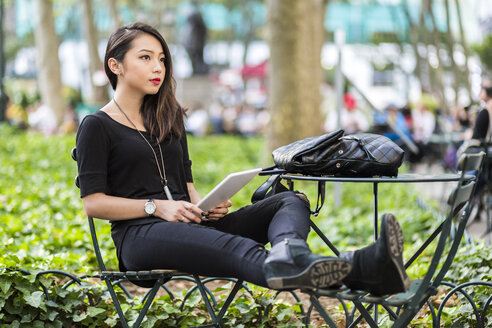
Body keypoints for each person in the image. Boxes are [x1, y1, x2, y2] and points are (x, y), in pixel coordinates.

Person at [75, 23, 410, 295]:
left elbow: (186, 185)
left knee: (289, 201)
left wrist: (205, 205)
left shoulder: (169, 117)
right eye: (145, 58)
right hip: (141, 238)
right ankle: (364, 269)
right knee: (237, 248)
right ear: (115, 65)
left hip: (194, 225)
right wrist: (156, 207)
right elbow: (94, 203)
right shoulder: (96, 126)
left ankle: (293, 253)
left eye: (162, 59)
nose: (157, 67)